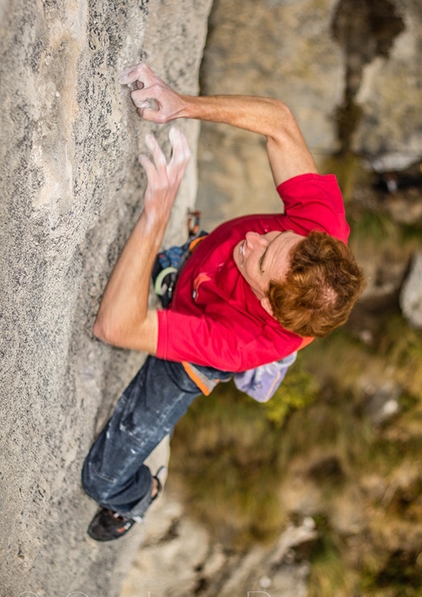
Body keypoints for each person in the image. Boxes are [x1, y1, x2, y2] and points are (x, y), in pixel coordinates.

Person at [82, 62, 366, 541]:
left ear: (271, 308)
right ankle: (178, 265)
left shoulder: (243, 342)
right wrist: (183, 105)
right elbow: (278, 120)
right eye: (277, 236)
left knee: (102, 479)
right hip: (195, 266)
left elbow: (116, 326)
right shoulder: (319, 232)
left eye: (259, 262)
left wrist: (157, 212)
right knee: (192, 257)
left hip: (195, 355)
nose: (254, 238)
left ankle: (135, 499)